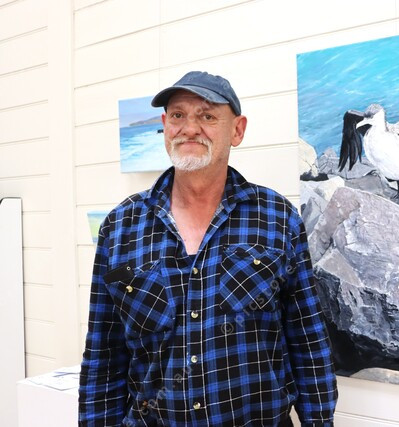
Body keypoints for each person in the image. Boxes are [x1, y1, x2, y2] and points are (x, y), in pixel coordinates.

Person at [79, 71, 338, 426]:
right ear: (165, 126)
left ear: (237, 130)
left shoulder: (277, 219)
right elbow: (103, 357)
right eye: (178, 115)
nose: (189, 128)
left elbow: (308, 343)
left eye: (207, 116)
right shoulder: (120, 228)